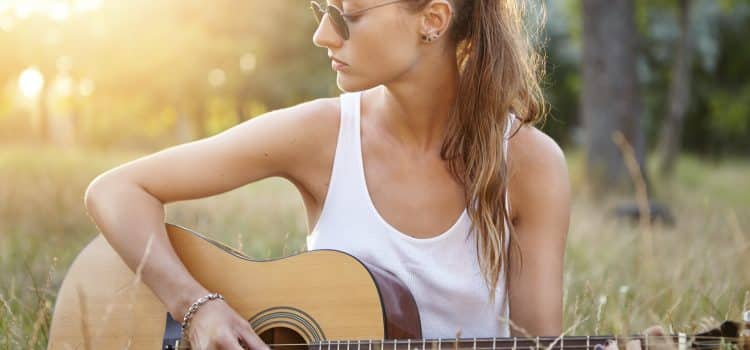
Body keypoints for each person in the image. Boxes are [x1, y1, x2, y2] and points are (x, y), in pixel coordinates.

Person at [83, 1, 571, 349]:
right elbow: (118, 190)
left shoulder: (530, 164)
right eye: (323, 10)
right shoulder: (320, 133)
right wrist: (194, 307)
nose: (323, 35)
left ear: (433, 20)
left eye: (348, 16)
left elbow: (539, 344)